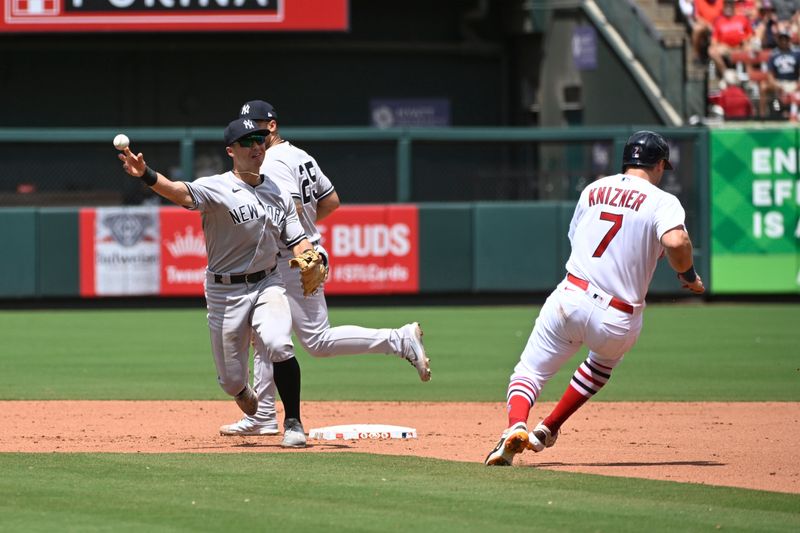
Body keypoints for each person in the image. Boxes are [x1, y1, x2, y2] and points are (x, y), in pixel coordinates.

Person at [485, 131, 705, 466]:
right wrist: (687, 275)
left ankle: (515, 425)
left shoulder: (593, 189)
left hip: (570, 297)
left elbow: (579, 239)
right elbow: (676, 242)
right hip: (618, 316)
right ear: (660, 164)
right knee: (599, 365)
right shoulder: (663, 201)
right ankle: (549, 428)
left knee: (528, 372)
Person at [218, 100, 431, 437]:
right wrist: (307, 236)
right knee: (274, 337)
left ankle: (399, 339)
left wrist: (296, 240)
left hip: (291, 259)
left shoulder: (271, 161)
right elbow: (330, 201)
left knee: (308, 340)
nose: (253, 137)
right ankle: (261, 418)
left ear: (271, 126)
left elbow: (285, 207)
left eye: (257, 128)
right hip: (301, 252)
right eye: (247, 131)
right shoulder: (301, 155)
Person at [117, 117, 320, 448]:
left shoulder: (279, 192)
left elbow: (297, 238)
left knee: (279, 343)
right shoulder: (217, 187)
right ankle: (243, 394)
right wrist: (146, 175)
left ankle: (293, 423)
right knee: (231, 381)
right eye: (246, 142)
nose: (255, 146)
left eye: (259, 140)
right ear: (231, 151)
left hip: (268, 283)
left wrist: (309, 256)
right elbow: (179, 191)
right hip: (225, 292)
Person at [760, 28, 800, 117]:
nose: (784, 41)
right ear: (779, 40)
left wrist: (798, 84)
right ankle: (762, 117)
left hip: (793, 82)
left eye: (786, 39)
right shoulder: (774, 54)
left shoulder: (797, 53)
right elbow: (770, 73)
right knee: (763, 87)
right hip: (779, 82)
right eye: (782, 39)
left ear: (789, 40)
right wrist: (775, 84)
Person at [708, 0, 755, 76]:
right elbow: (713, 41)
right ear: (723, 5)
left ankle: (750, 74)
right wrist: (721, 45)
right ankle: (726, 74)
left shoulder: (742, 18)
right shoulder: (718, 20)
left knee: (750, 48)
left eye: (730, 4)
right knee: (712, 51)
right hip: (726, 49)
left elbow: (750, 34)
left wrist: (745, 41)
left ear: (734, 5)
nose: (728, 6)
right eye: (726, 4)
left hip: (740, 47)